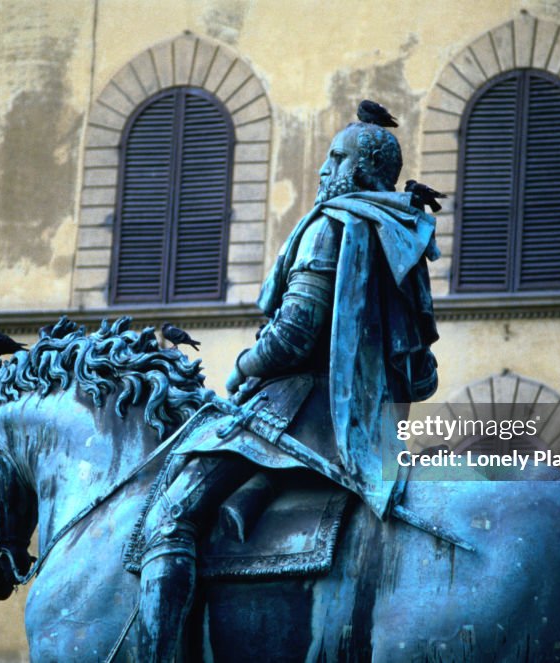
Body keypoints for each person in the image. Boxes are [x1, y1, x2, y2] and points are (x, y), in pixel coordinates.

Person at [130, 108, 440, 661]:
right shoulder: (401, 233)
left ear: (363, 169)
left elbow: (294, 336)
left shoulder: (332, 226)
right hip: (373, 420)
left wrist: (244, 364)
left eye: (336, 158)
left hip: (298, 410)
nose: (324, 169)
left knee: (171, 516)